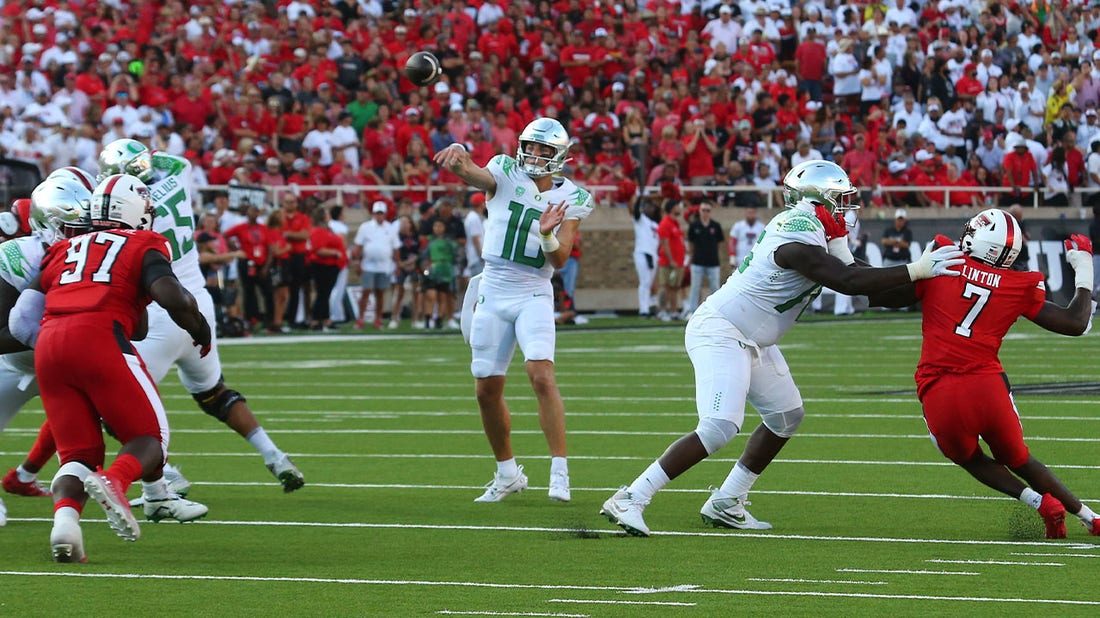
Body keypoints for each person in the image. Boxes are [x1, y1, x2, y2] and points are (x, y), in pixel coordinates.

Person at [599, 160, 965, 536]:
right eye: (841, 200)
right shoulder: (795, 234)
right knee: (719, 426)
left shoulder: (821, 230)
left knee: (787, 415)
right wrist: (916, 269)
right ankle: (630, 497)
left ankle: (728, 500)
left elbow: (870, 286)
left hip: (753, 338)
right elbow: (849, 281)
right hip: (722, 330)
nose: (848, 209)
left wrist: (934, 282)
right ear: (818, 199)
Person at [5, 174, 213, 562]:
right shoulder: (143, 241)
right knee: (151, 437)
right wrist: (201, 328)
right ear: (134, 211)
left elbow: (20, 319)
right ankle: (115, 481)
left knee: (78, 453)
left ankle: (65, 529)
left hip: (49, 345)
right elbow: (171, 296)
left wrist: (57, 340)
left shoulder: (63, 247)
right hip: (98, 336)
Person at [868, 210, 1099, 539]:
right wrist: (1083, 266)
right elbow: (1076, 323)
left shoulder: (942, 257)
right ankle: (1090, 517)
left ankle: (1038, 503)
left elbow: (877, 295)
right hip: (988, 389)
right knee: (1020, 458)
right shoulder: (1019, 285)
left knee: (969, 458)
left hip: (940, 390)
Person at [95, 139, 304, 493]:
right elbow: (177, 163)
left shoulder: (127, 208)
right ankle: (275, 456)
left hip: (157, 314)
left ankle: (163, 475)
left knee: (112, 406)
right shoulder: (176, 180)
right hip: (199, 307)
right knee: (214, 393)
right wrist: (149, 156)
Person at [433, 117, 593, 503]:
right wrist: (460, 160)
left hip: (532, 290)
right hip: (493, 285)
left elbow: (560, 258)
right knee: (486, 388)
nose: (534, 155)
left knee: (541, 375)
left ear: (560, 156)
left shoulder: (574, 196)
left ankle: (560, 472)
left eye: (543, 149)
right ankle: (507, 473)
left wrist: (545, 232)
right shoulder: (504, 170)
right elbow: (475, 174)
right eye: (530, 146)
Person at [353, 201, 398, 329]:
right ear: (373, 214)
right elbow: (358, 246)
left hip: (384, 265)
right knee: (366, 291)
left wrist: (397, 265)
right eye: (377, 213)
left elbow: (395, 248)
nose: (379, 216)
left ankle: (378, 319)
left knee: (380, 293)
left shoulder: (390, 228)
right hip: (368, 265)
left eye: (381, 213)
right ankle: (360, 318)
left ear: (385, 214)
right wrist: (357, 263)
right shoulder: (365, 227)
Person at [683, 201, 724, 318]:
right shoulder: (694, 226)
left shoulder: (715, 226)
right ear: (699, 212)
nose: (705, 213)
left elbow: (719, 243)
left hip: (713, 262)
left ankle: (717, 312)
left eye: (708, 210)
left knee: (715, 288)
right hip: (697, 261)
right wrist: (691, 256)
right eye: (703, 210)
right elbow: (690, 242)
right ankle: (692, 311)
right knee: (695, 287)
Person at [657, 200, 686, 321]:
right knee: (665, 287)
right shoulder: (665, 223)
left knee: (675, 288)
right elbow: (665, 244)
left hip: (678, 262)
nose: (679, 208)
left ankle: (673, 311)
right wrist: (671, 260)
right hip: (668, 262)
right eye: (676, 206)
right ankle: (662, 311)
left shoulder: (675, 223)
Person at [631, 197, 660, 318]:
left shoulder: (655, 223)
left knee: (649, 282)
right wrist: (640, 198)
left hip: (653, 255)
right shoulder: (640, 220)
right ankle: (643, 309)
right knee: (644, 281)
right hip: (642, 252)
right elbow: (636, 211)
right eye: (649, 206)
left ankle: (648, 306)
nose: (651, 209)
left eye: (652, 207)